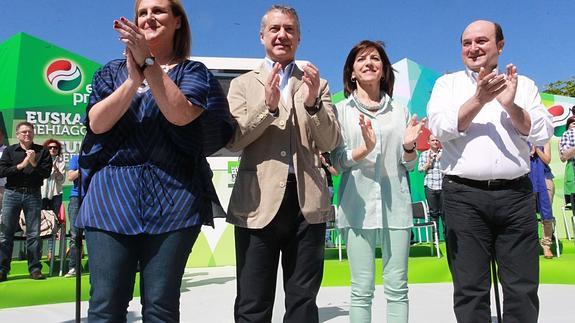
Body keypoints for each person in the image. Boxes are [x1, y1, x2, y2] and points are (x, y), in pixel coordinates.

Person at [76, 0, 233, 321]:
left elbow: (181, 114)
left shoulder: (193, 72)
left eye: (158, 10)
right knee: (105, 306)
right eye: (142, 12)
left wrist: (149, 64)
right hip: (110, 200)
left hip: (173, 200)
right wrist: (133, 79)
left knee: (161, 308)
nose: (149, 17)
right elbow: (97, 123)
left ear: (177, 21)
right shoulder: (110, 72)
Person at [427, 20, 553, 322]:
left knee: (522, 287)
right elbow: (440, 127)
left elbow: (541, 132)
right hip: (463, 196)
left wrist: (511, 106)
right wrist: (479, 100)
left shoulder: (524, 85)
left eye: (481, 41)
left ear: (500, 44)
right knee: (470, 288)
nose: (473, 48)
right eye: (466, 43)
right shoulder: (448, 84)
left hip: (515, 195)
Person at [226, 5, 341, 323]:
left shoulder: (317, 84)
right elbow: (234, 139)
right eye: (275, 28)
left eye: (289, 29)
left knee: (303, 301)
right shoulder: (242, 85)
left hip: (308, 203)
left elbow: (331, 142)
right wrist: (268, 106)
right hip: (257, 203)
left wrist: (313, 102)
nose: (282, 35)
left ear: (299, 38)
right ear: (262, 35)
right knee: (253, 301)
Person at [331, 40, 425, 323]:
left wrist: (410, 148)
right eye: (361, 59)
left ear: (384, 70)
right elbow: (336, 163)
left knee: (398, 288)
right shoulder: (340, 111)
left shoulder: (400, 111)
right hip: (356, 208)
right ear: (351, 72)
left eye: (375, 58)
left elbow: (409, 164)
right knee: (361, 290)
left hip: (396, 207)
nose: (369, 63)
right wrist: (363, 150)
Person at [0, 122, 52, 282]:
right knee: (6, 233)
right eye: (23, 132)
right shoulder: (9, 151)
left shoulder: (42, 151)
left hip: (33, 194)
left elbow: (45, 173)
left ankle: (35, 269)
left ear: (34, 133)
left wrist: (33, 161)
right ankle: (2, 270)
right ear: (17, 134)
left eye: (29, 132)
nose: (27, 134)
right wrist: (22, 165)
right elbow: (2, 171)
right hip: (12, 193)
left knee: (34, 234)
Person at [40, 138, 66, 261]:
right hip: (41, 194)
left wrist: (56, 170)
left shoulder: (61, 162)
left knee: (54, 223)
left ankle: (51, 252)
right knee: (39, 222)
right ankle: (37, 252)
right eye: (50, 147)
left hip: (56, 194)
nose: (52, 149)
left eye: (55, 147)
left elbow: (62, 179)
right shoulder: (41, 160)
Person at [529, 143, 555, 258]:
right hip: (527, 178)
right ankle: (530, 245)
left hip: (544, 178)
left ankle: (546, 245)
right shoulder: (522, 138)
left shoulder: (545, 141)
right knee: (527, 214)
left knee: (546, 211)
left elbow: (547, 160)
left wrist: (537, 149)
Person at [417, 135, 443, 229]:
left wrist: (442, 160)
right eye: (433, 140)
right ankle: (435, 239)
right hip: (430, 186)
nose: (435, 142)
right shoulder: (424, 154)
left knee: (445, 214)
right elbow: (420, 169)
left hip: (442, 186)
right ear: (428, 142)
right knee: (433, 213)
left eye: (437, 140)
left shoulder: (444, 153)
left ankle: (448, 240)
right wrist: (429, 162)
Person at [64, 154, 79, 277]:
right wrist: (85, 166)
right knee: (75, 234)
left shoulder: (100, 157)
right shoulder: (76, 158)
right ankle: (73, 267)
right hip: (76, 198)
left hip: (94, 197)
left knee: (96, 234)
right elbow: (70, 176)